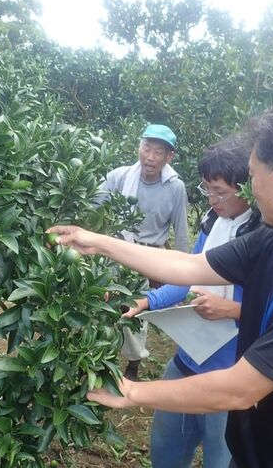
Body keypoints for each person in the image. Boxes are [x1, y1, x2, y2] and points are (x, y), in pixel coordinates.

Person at [50, 101, 273, 468]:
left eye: (253, 174)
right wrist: (97, 242)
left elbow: (240, 389)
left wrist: (132, 392)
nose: (250, 187)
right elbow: (190, 266)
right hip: (257, 451)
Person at [123, 138, 261, 468]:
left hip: (231, 374)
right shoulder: (212, 224)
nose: (212, 200)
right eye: (207, 190)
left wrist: (236, 310)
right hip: (189, 360)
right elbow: (187, 274)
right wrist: (147, 301)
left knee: (221, 457)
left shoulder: (264, 238)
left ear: (247, 189)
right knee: (166, 449)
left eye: (220, 192)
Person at [95, 124, 189, 380]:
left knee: (138, 311)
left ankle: (134, 362)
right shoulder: (119, 177)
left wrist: (184, 272)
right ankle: (101, 357)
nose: (150, 156)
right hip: (118, 251)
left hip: (149, 258)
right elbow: (91, 203)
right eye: (146, 148)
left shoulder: (175, 188)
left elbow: (181, 231)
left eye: (158, 152)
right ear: (139, 146)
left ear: (169, 157)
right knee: (104, 305)